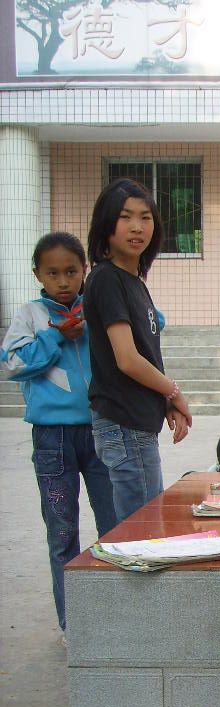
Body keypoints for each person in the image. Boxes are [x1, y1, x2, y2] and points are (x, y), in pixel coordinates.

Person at [1, 232, 117, 639]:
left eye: (71, 271)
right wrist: (54, 337)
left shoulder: (96, 305)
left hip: (101, 429)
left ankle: (116, 616)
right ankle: (74, 625)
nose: (63, 281)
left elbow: (149, 319)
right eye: (53, 273)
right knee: (62, 532)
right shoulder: (30, 315)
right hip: (52, 439)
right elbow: (13, 363)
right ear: (38, 274)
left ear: (85, 270)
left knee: (115, 526)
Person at [83, 178, 192, 523]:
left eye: (145, 217)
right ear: (106, 224)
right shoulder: (107, 279)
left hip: (136, 424)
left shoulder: (133, 283)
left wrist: (164, 401)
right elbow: (127, 359)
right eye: (125, 216)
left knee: (138, 528)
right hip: (124, 424)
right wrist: (173, 391)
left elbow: (146, 355)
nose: (137, 227)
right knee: (142, 532)